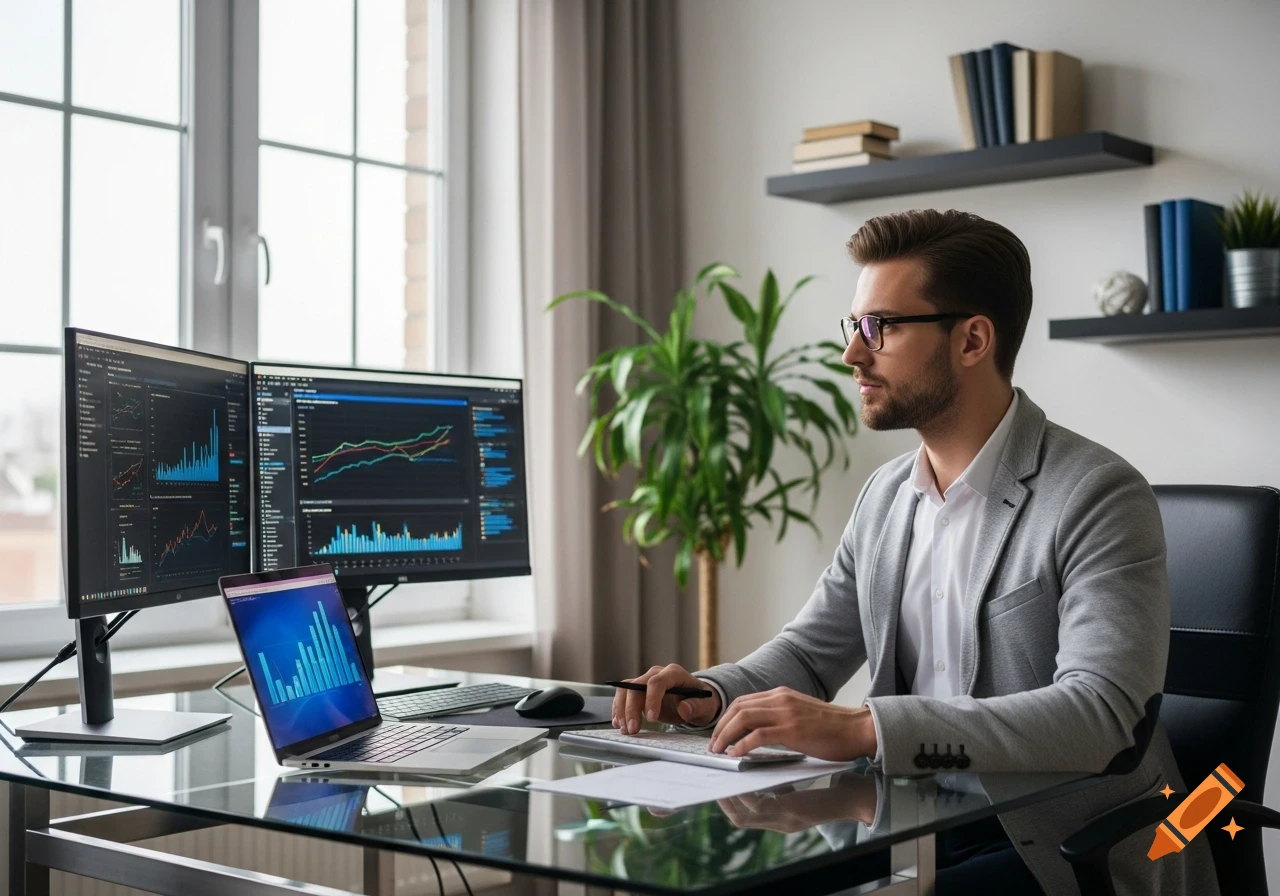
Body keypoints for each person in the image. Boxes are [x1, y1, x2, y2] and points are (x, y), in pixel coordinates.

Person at [610, 209, 1218, 896]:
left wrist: (868, 727)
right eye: (855, 326)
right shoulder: (886, 494)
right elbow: (811, 654)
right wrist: (712, 693)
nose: (853, 354)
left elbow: (1103, 715)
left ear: (972, 340)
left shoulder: (1096, 493)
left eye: (882, 327)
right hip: (904, 823)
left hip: (1059, 847)